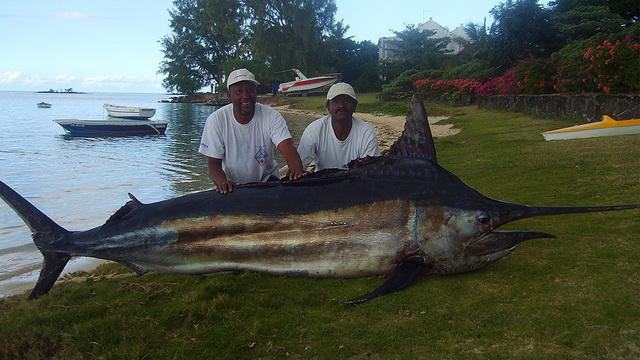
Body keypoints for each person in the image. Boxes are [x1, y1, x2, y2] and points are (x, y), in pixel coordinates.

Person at [199, 68, 304, 194]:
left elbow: (287, 147)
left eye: (250, 90)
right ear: (229, 95)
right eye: (239, 91)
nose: (245, 96)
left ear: (255, 92)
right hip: (233, 186)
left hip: (267, 182)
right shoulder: (216, 120)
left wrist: (296, 170)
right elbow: (214, 165)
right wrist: (222, 183)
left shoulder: (272, 116)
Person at [297, 82, 380, 172]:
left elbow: (370, 172)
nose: (341, 105)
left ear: (354, 106)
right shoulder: (314, 131)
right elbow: (298, 167)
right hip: (322, 184)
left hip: (355, 183)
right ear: (328, 107)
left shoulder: (367, 134)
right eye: (336, 101)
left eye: (347, 101)